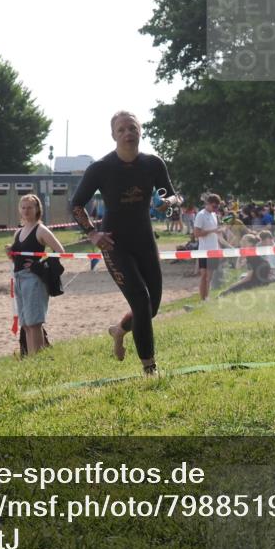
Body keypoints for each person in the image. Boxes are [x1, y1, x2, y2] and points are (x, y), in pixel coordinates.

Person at [70, 111, 180, 376]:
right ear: (113, 136)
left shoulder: (153, 164)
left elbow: (173, 196)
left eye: (132, 128)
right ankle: (149, 367)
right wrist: (93, 234)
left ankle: (119, 331)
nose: (127, 133)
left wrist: (169, 202)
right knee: (140, 300)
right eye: (121, 130)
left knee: (151, 308)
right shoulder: (101, 168)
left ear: (140, 131)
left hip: (144, 240)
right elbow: (75, 204)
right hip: (114, 244)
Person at [6, 194, 67, 358]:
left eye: (30, 207)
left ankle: (38, 359)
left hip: (34, 280)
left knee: (35, 323)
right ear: (19, 209)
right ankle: (33, 359)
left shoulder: (41, 230)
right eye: (23, 207)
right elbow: (16, 258)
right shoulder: (18, 232)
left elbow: (60, 251)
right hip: (19, 279)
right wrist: (10, 254)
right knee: (25, 324)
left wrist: (39, 266)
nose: (26, 211)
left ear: (37, 209)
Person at [194, 193, 224, 301]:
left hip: (214, 249)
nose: (216, 209)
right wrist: (213, 231)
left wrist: (219, 247)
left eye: (217, 207)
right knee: (204, 276)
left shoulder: (214, 215)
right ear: (208, 204)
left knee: (209, 277)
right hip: (204, 250)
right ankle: (203, 299)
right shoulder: (201, 215)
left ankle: (206, 298)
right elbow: (196, 233)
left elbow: (215, 234)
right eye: (214, 206)